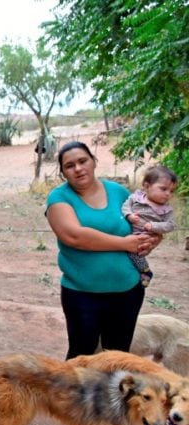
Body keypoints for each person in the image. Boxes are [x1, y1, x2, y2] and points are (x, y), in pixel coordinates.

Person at [45, 141, 161, 360]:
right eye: (70, 166)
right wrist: (125, 244)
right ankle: (74, 396)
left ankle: (109, 396)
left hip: (127, 291)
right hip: (82, 295)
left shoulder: (118, 192)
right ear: (63, 173)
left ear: (94, 162)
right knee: (81, 357)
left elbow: (142, 223)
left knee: (117, 357)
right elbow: (74, 236)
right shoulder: (59, 198)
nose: (78, 168)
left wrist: (152, 238)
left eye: (82, 161)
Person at [121, 165, 177, 287]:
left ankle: (145, 271)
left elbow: (170, 225)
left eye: (171, 191)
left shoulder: (166, 209)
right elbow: (125, 206)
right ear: (146, 186)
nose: (168, 194)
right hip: (129, 231)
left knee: (134, 253)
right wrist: (129, 215)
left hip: (144, 237)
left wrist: (154, 226)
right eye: (164, 189)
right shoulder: (136, 197)